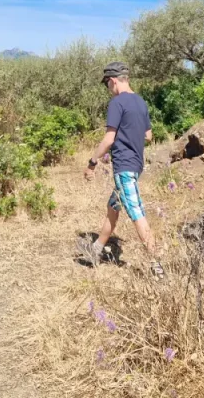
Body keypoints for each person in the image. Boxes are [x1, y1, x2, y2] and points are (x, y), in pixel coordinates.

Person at [79, 62, 165, 279]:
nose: (108, 88)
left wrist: (92, 162)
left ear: (113, 80)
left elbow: (109, 139)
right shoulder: (141, 102)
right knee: (113, 207)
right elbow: (148, 136)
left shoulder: (117, 103)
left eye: (107, 84)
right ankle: (96, 250)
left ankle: (157, 266)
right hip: (136, 165)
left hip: (124, 167)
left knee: (136, 213)